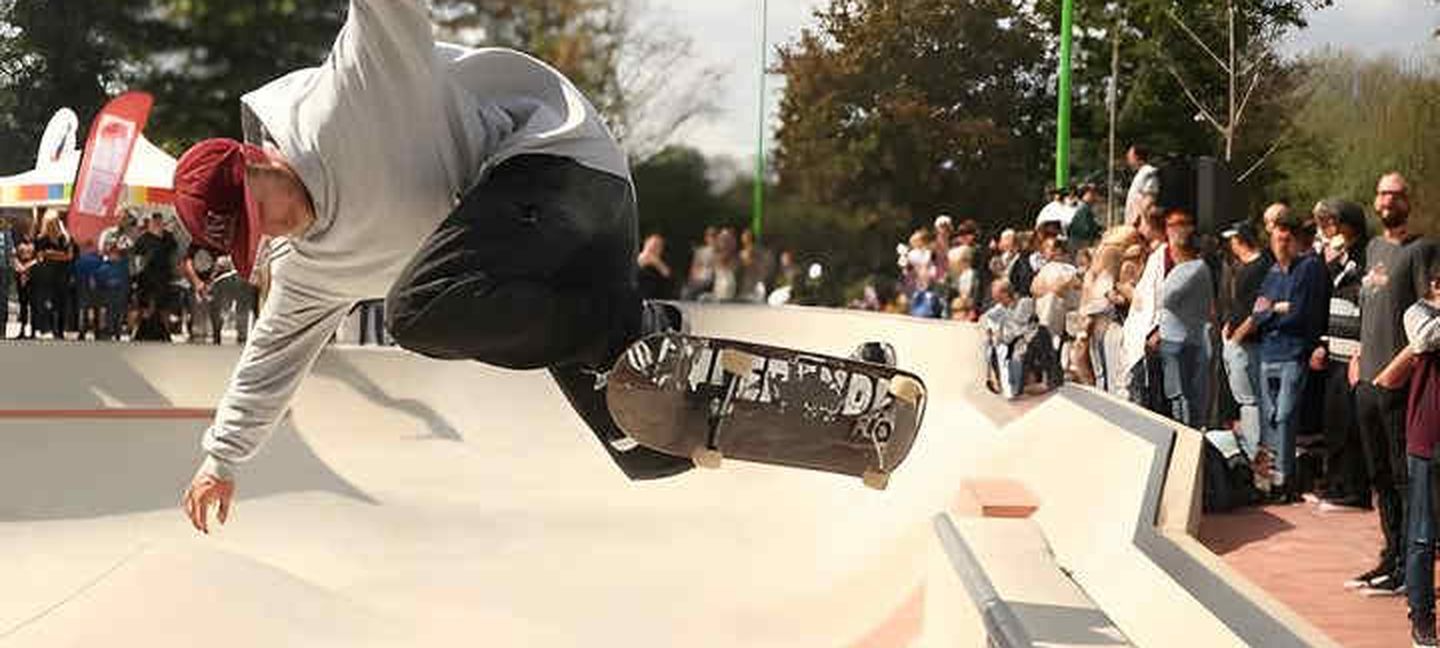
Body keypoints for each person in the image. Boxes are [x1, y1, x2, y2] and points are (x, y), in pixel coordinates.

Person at [177, 0, 691, 535]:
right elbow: (269, 357)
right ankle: (711, 409)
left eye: (263, 211)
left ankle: (630, 328)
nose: (278, 228)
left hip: (559, 165)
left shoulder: (353, 91)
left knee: (416, 310)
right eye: (262, 235)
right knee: (643, 431)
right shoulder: (307, 269)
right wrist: (221, 459)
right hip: (548, 244)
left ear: (257, 159)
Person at [1345, 172, 1437, 597]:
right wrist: (1360, 358)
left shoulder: (1422, 251)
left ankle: (1406, 564)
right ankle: (1389, 555)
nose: (1387, 200)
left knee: (1403, 478)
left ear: (1407, 200)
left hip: (1398, 386)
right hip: (1366, 379)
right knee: (1378, 476)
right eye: (1381, 192)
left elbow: (1429, 319)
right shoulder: (1372, 249)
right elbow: (1366, 311)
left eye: (1395, 194)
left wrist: (1395, 370)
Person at [1379, 266, 1440, 646]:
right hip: (1428, 438)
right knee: (1422, 536)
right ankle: (1421, 618)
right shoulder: (1419, 311)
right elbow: (1422, 339)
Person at [1218, 219, 1272, 458]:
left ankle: (1254, 452)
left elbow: (1261, 308)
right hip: (1235, 339)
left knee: (1250, 400)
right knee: (1244, 399)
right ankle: (1251, 447)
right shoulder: (1243, 266)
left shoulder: (1261, 266)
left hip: (1249, 343)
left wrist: (1240, 334)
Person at [1156, 209, 1215, 429]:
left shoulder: (1193, 269)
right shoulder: (1185, 269)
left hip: (1182, 341)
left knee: (1183, 396)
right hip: (1176, 340)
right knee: (1177, 396)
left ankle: (1187, 432)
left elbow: (1164, 297)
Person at [1123, 144, 1160, 227]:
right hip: (1134, 223)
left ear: (1137, 157)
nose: (1128, 159)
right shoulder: (1140, 174)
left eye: (1130, 156)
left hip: (1140, 224)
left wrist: (1137, 219)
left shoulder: (1148, 172)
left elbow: (1150, 197)